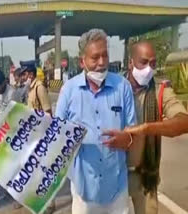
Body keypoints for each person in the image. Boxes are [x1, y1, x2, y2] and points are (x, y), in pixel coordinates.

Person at [56, 29, 137, 214]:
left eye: (105, 55)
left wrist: (128, 139)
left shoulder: (122, 87)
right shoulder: (69, 91)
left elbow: (133, 130)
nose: (101, 63)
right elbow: (57, 135)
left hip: (117, 189)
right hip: (84, 190)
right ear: (82, 61)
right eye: (95, 57)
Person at [106, 41, 188, 214]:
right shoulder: (112, 89)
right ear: (130, 63)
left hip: (144, 176)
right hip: (112, 175)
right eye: (143, 62)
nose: (148, 69)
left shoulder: (160, 91)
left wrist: (146, 129)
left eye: (153, 63)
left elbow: (183, 122)